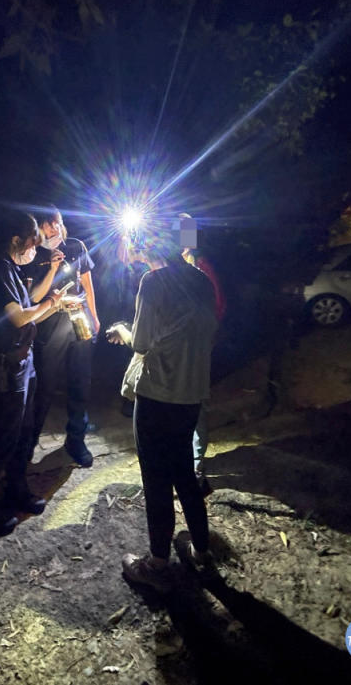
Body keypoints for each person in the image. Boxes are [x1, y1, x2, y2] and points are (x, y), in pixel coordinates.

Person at [116, 225, 219, 592]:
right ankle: (202, 551)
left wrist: (124, 332)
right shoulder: (202, 280)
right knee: (184, 474)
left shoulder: (154, 281)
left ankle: (157, 565)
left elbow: (141, 342)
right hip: (191, 392)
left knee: (156, 479)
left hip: (159, 394)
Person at [0, 212, 64, 533]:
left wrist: (54, 302)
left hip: (25, 364)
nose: (33, 249)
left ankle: (16, 489)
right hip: (5, 367)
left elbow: (32, 305)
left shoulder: (11, 268)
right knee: (2, 436)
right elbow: (20, 318)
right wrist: (48, 304)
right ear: (15, 239)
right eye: (31, 242)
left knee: (24, 433)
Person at [24, 207, 100, 468]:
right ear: (38, 227)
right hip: (50, 324)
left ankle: (76, 440)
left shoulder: (76, 246)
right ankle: (28, 442)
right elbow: (33, 296)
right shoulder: (34, 253)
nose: (55, 229)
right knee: (43, 387)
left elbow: (88, 283)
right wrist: (51, 267)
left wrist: (95, 316)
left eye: (58, 222)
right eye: (48, 224)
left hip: (80, 319)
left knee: (81, 383)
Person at [178, 214, 225, 495]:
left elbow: (217, 306)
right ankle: (180, 465)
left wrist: (203, 339)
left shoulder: (201, 267)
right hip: (169, 350)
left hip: (194, 348)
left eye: (187, 233)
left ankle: (195, 470)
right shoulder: (164, 266)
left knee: (194, 405)